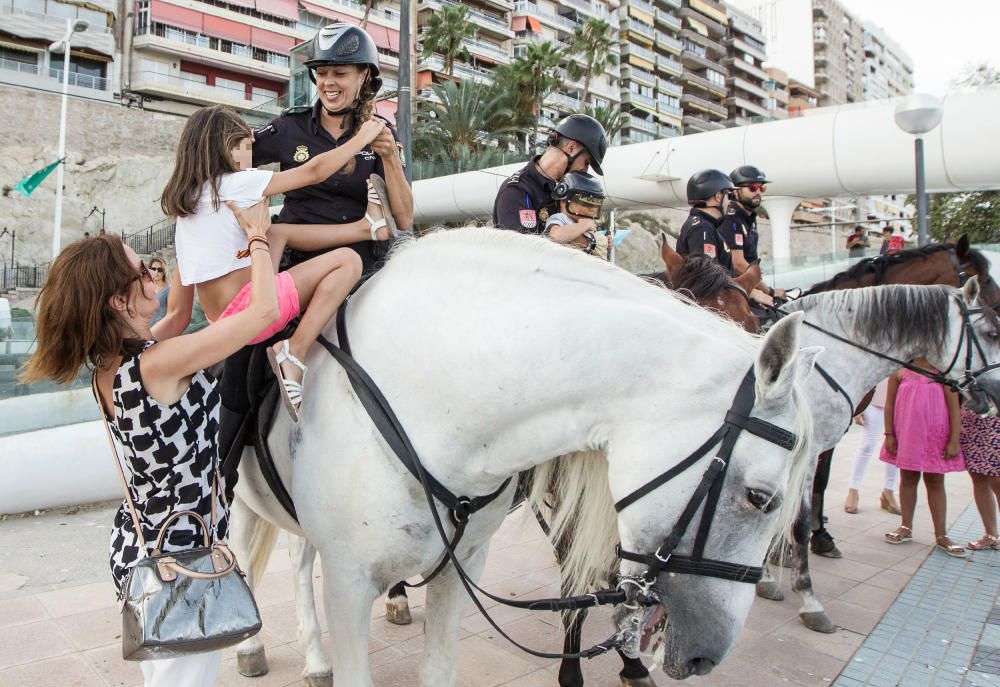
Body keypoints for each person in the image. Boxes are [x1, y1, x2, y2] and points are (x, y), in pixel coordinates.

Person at [20, 203, 277, 686]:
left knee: (166, 675)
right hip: (182, 561)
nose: (152, 271)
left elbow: (178, 315)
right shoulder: (159, 363)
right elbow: (265, 310)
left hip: (143, 549)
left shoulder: (115, 367)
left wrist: (191, 235)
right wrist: (259, 238)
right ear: (119, 300)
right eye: (143, 269)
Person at [161, 105, 382, 421]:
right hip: (254, 310)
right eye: (247, 147)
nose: (252, 155)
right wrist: (362, 138)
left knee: (275, 232)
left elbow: (178, 314)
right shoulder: (235, 182)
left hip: (221, 323)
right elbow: (314, 171)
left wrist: (140, 349)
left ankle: (366, 226)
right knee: (347, 261)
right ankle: (295, 352)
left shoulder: (189, 204)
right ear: (228, 148)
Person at [251, 24, 412, 276]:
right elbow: (230, 163)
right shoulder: (289, 128)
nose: (328, 83)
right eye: (322, 72)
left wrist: (390, 156)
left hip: (360, 271)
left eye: (339, 73)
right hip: (296, 265)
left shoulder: (381, 133)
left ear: (364, 76)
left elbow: (404, 219)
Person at [881, 360, 966, 557]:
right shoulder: (900, 371)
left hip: (935, 437)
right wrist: (889, 434)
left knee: (935, 482)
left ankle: (941, 535)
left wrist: (954, 440)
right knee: (908, 479)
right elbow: (889, 404)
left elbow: (954, 408)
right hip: (908, 434)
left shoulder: (944, 373)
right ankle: (906, 526)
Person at [493, 114, 608, 233]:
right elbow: (522, 249)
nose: (585, 170)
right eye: (586, 162)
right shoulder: (516, 191)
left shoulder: (565, 192)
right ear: (571, 148)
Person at [722, 166, 785, 305]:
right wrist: (769, 291)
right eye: (752, 188)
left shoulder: (749, 217)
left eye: (761, 188)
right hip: (733, 293)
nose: (758, 192)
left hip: (749, 288)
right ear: (735, 191)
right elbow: (737, 263)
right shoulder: (731, 218)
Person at [844, 379, 901, 515]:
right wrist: (859, 404)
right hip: (872, 398)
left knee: (895, 447)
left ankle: (889, 490)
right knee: (866, 445)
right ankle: (853, 490)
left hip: (899, 399)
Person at [676, 169, 735, 274]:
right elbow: (707, 277)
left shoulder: (705, 225)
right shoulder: (702, 229)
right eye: (729, 195)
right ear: (718, 196)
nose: (730, 201)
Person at [543, 171, 609, 259]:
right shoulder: (560, 218)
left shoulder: (586, 223)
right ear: (564, 201)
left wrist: (606, 241)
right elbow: (556, 236)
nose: (592, 209)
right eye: (585, 203)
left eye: (594, 205)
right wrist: (584, 225)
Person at [960, 405, 1000, 550]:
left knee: (997, 480)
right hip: (973, 418)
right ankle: (990, 534)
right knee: (978, 478)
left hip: (996, 417)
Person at [148, 255, 170, 325]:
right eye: (153, 269)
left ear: (164, 272)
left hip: (160, 329)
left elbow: (171, 312)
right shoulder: (146, 286)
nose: (156, 272)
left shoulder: (169, 289)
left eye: (160, 270)